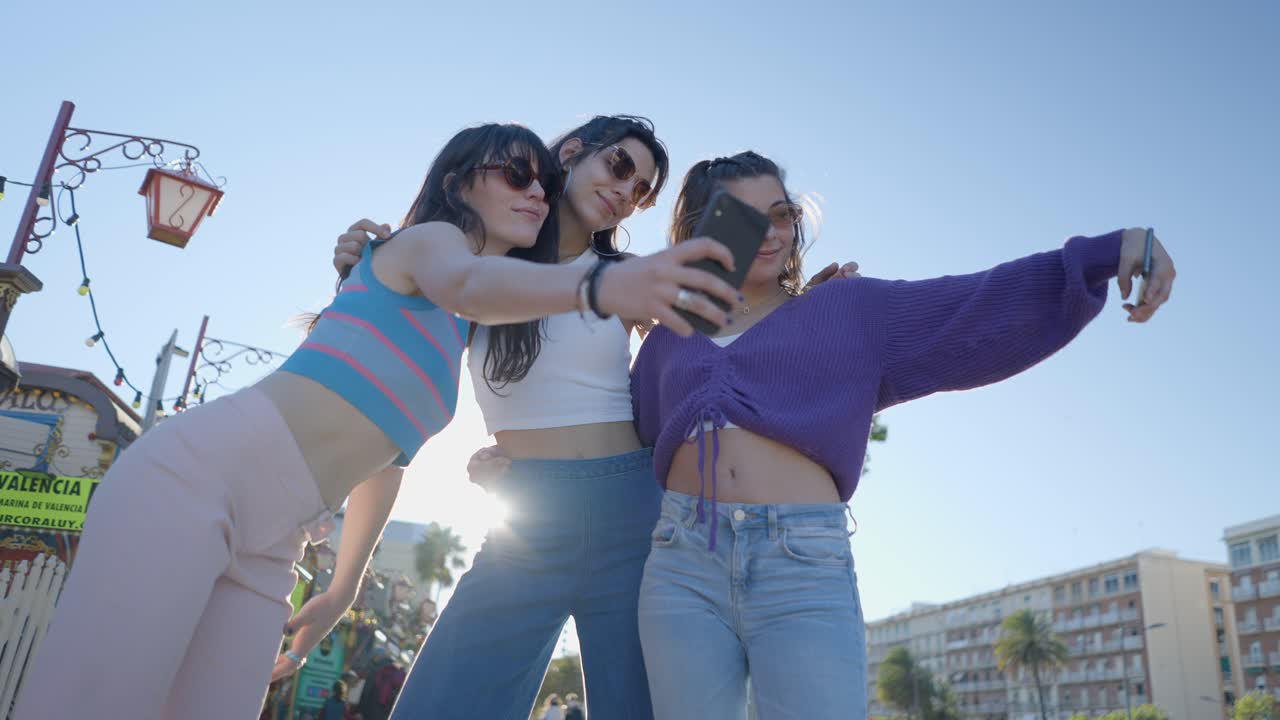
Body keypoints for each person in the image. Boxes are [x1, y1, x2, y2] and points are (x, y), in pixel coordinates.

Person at [12, 123, 741, 720]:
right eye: (518, 176)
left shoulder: (490, 312)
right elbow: (465, 281)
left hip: (286, 539)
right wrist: (606, 285)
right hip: (208, 480)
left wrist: (344, 587)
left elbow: (388, 458)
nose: (621, 191)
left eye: (641, 189)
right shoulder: (441, 263)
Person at [628, 151, 1177, 719]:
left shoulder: (847, 309)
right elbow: (634, 437)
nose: (771, 233)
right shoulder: (668, 337)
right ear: (704, 230)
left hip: (801, 564)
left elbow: (971, 306)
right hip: (682, 564)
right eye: (742, 217)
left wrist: (1111, 249)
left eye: (783, 213)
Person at [334, 116, 816, 720]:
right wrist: (358, 261)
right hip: (527, 519)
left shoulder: (629, 278)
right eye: (618, 166)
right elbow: (394, 348)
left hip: (632, 513)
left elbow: (734, 307)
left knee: (643, 708)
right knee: (439, 704)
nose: (625, 191)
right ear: (570, 153)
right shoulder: (476, 263)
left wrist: (803, 306)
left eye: (640, 190)